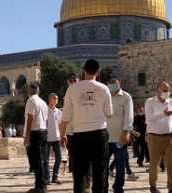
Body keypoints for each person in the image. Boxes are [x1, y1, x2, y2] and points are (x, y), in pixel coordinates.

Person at [60, 59, 113, 193]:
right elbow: (109, 113)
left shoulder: (72, 88)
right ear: (98, 72)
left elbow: (65, 116)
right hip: (99, 133)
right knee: (99, 172)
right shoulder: (104, 88)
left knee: (79, 174)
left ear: (84, 71)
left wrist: (62, 135)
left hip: (79, 135)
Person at [145, 81, 172, 193]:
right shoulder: (150, 102)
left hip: (169, 137)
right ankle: (153, 186)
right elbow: (148, 119)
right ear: (158, 89)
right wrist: (163, 114)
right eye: (164, 90)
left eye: (168, 90)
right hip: (154, 137)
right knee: (154, 163)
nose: (166, 92)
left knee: (171, 163)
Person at [104, 79, 134, 193]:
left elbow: (129, 116)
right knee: (103, 166)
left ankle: (118, 187)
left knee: (120, 165)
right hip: (104, 137)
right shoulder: (104, 96)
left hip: (120, 137)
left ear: (119, 85)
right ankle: (104, 186)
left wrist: (126, 132)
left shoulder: (126, 97)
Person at [24, 82, 49, 193]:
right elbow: (46, 120)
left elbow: (30, 118)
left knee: (37, 160)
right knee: (40, 159)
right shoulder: (43, 102)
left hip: (35, 132)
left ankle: (40, 186)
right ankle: (41, 184)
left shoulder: (31, 100)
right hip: (43, 131)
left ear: (30, 90)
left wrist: (27, 135)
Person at [44, 93, 63, 184]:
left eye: (57, 98)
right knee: (46, 159)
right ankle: (47, 178)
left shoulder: (59, 112)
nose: (56, 100)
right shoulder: (45, 110)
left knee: (59, 158)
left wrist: (63, 135)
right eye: (54, 98)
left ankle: (55, 177)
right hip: (47, 139)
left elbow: (60, 125)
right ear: (49, 99)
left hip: (57, 138)